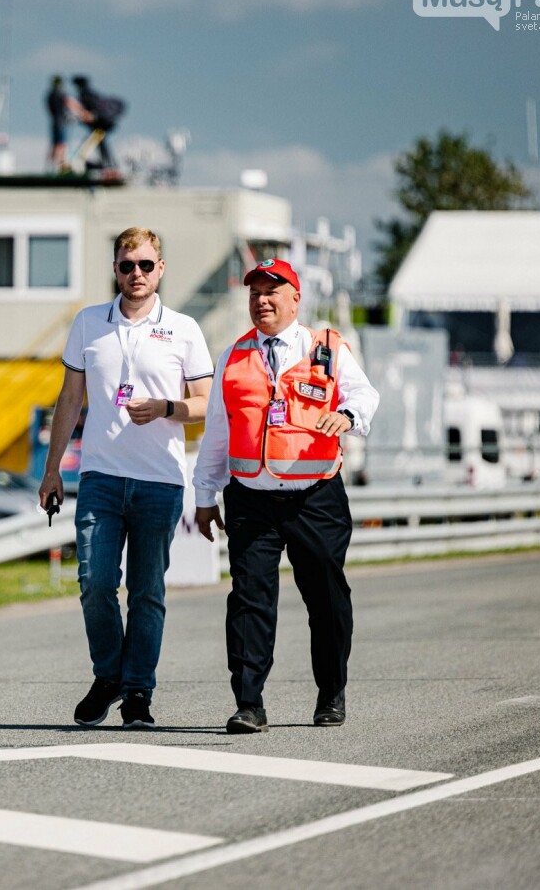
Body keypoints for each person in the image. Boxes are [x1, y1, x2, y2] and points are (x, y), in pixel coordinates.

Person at [192, 258, 379, 733]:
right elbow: (218, 428)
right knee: (250, 600)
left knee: (327, 598)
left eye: (273, 292)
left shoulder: (326, 348)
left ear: (296, 299)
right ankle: (249, 703)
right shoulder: (233, 357)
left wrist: (350, 416)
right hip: (251, 497)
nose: (262, 300)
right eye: (255, 292)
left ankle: (331, 692)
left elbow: (364, 394)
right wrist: (205, 493)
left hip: (315, 496)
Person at [39, 227, 214, 729]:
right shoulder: (89, 322)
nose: (135, 274)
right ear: (114, 269)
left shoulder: (183, 328)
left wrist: (167, 407)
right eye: (126, 265)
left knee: (146, 593)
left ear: (161, 269)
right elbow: (70, 399)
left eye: (145, 265)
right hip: (100, 476)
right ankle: (108, 675)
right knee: (95, 584)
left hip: (160, 479)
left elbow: (206, 403)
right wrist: (52, 470)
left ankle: (138, 691)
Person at [71, 75, 125, 171]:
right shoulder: (91, 94)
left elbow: (89, 113)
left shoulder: (85, 95)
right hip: (102, 124)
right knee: (101, 145)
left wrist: (82, 118)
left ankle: (109, 166)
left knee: (93, 145)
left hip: (99, 124)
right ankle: (109, 166)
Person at [45, 75, 85, 172]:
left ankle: (50, 167)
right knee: (61, 145)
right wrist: (83, 112)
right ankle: (60, 167)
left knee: (54, 145)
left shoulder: (50, 95)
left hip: (55, 122)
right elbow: (70, 103)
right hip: (61, 122)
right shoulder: (60, 94)